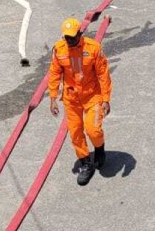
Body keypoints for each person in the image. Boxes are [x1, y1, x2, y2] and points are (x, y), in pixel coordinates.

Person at [48, 17, 112, 186]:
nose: (69, 40)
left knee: (93, 130)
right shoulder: (59, 50)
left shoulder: (93, 48)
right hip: (71, 99)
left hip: (93, 96)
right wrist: (53, 98)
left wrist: (106, 99)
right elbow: (54, 74)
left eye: (72, 37)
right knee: (75, 132)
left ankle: (99, 149)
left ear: (80, 33)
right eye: (66, 37)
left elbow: (103, 75)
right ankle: (86, 163)